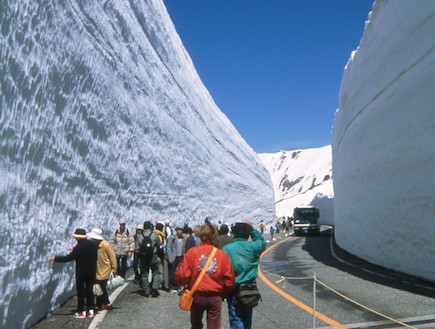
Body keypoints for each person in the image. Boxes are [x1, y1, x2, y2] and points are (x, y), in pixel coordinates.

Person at [176, 223, 235, 329]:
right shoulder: (222, 255)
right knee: (214, 324)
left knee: (196, 323)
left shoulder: (192, 252)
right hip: (215, 296)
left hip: (197, 295)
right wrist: (222, 293)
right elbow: (230, 280)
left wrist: (186, 285)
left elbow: (182, 275)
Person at [223, 222, 266, 329]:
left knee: (236, 319)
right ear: (248, 235)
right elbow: (261, 241)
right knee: (247, 319)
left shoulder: (227, 249)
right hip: (250, 288)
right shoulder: (253, 247)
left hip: (234, 289)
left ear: (234, 234)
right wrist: (252, 230)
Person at [48, 228, 97, 318]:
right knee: (90, 291)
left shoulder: (78, 248)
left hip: (82, 273)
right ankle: (90, 310)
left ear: (78, 238)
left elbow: (68, 258)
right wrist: (74, 250)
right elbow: (85, 251)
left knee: (81, 292)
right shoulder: (92, 245)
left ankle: (81, 311)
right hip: (92, 271)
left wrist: (55, 258)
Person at [87, 228, 117, 312]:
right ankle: (105, 303)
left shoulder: (106, 245)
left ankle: (102, 304)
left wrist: (114, 269)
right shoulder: (94, 245)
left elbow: (112, 257)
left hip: (105, 270)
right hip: (98, 269)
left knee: (100, 286)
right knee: (100, 287)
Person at [136, 221, 162, 297]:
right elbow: (159, 245)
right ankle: (155, 285)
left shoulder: (140, 236)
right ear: (150, 226)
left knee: (144, 274)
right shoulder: (154, 235)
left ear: (144, 227)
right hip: (153, 256)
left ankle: (146, 290)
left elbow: (137, 248)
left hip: (144, 257)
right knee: (156, 272)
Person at [166, 226, 186, 293]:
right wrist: (170, 257)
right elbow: (168, 247)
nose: (180, 231)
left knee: (178, 272)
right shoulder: (173, 238)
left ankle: (177, 286)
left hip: (180, 257)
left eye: (181, 230)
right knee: (172, 272)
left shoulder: (183, 238)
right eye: (178, 230)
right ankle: (172, 286)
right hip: (174, 257)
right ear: (176, 231)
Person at [154, 222, 167, 291]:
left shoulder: (152, 234)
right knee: (160, 270)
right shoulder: (161, 235)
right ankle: (159, 284)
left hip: (152, 255)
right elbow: (162, 246)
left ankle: (153, 283)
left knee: (153, 270)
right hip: (159, 255)